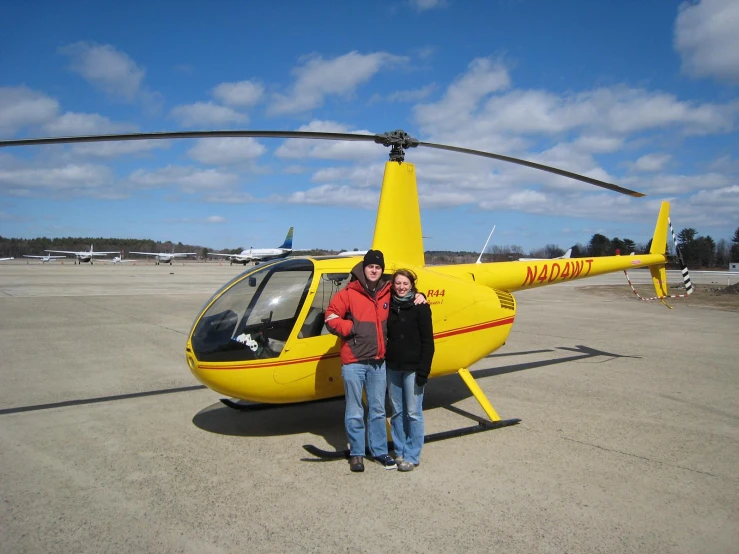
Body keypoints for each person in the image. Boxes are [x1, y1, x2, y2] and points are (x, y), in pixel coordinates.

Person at [324, 249, 398, 473]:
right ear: (363, 269)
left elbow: (406, 294)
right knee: (355, 409)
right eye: (370, 267)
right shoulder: (349, 292)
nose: (374, 270)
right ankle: (357, 453)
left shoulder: (387, 292)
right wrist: (351, 329)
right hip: (354, 361)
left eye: (378, 267)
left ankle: (379, 451)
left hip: (378, 361)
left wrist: (420, 295)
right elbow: (330, 316)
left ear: (381, 270)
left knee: (377, 408)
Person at [385, 269, 434, 472]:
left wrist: (424, 371)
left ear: (412, 285)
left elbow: (428, 342)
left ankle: (412, 455)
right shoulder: (388, 305)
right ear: (393, 285)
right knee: (397, 412)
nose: (401, 287)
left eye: (405, 283)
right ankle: (400, 450)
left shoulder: (421, 307)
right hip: (393, 366)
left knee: (413, 412)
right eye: (398, 283)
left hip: (413, 368)